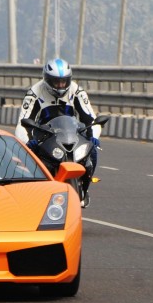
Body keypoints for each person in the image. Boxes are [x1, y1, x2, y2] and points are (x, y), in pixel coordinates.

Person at [15, 58, 100, 206]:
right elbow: (22, 122)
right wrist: (28, 141)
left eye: (64, 81)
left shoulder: (77, 91)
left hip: (71, 133)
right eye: (56, 82)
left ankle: (85, 187)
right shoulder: (34, 93)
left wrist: (93, 137)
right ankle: (32, 192)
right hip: (45, 135)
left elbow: (90, 118)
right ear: (47, 79)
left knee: (92, 151)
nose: (61, 85)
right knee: (30, 157)